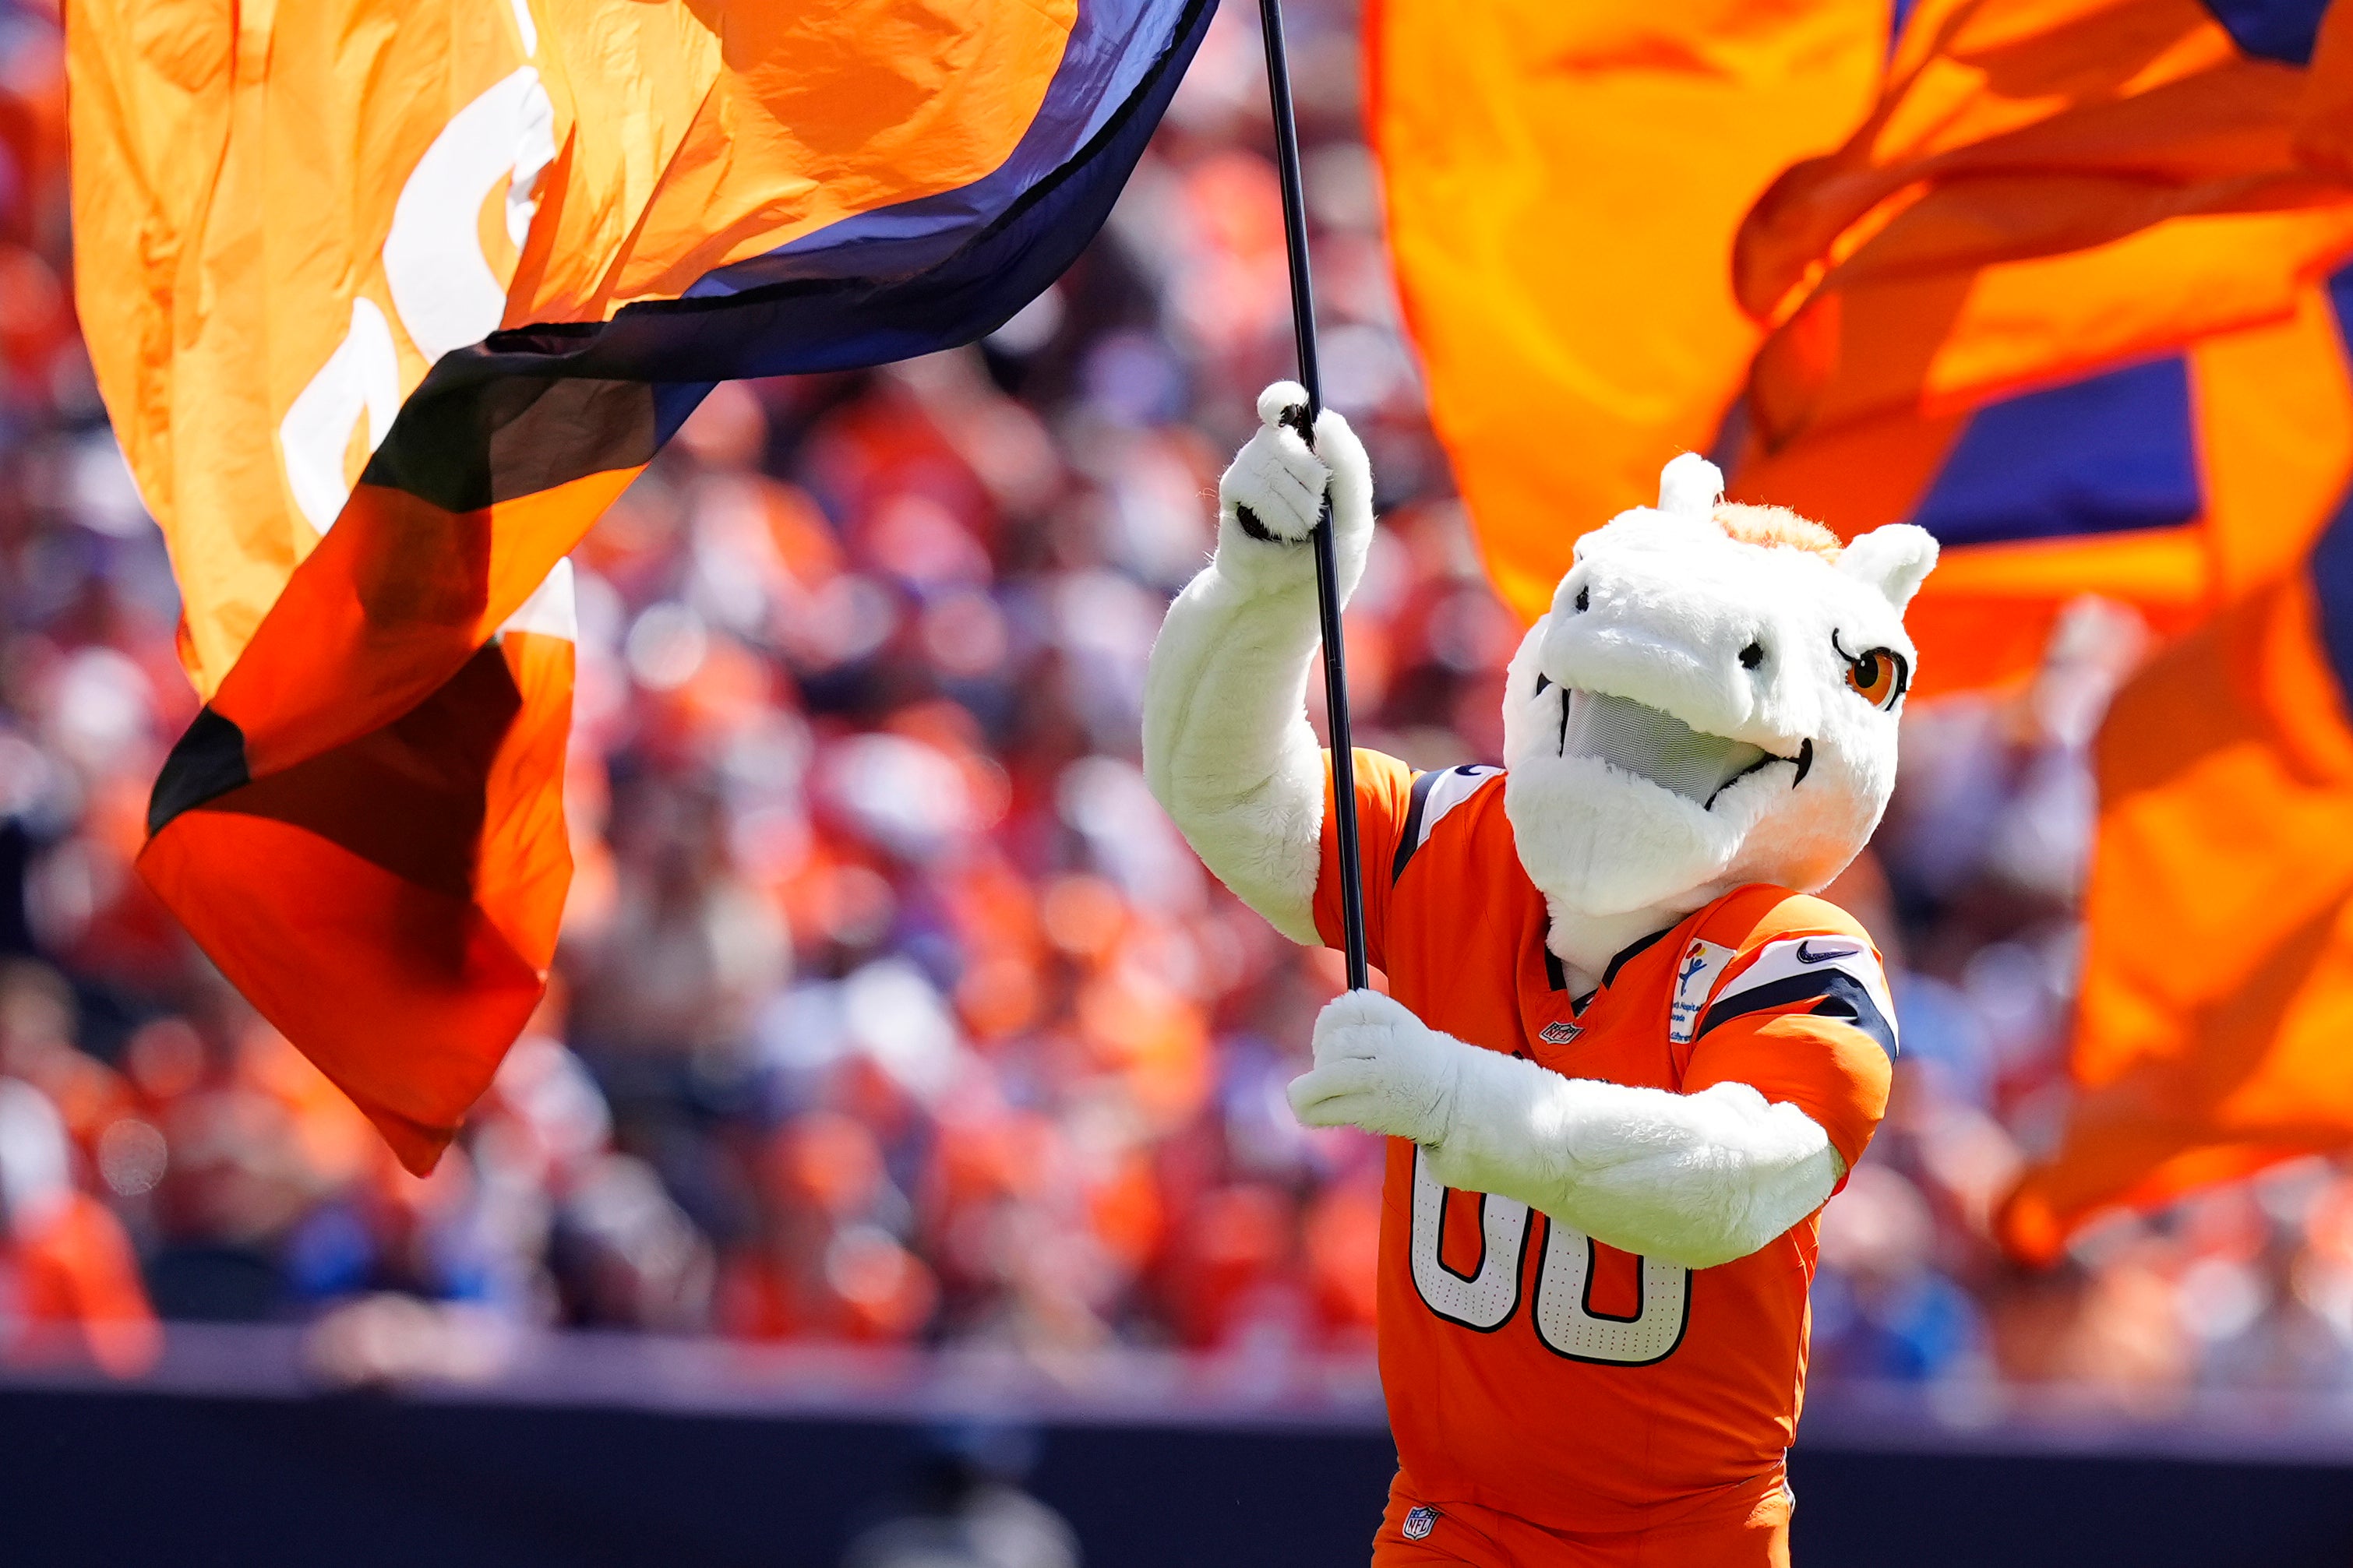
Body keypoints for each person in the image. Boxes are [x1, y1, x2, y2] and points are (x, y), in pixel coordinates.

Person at [1143, 386, 1937, 1565]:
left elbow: (1734, 1184)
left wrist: (1455, 1100)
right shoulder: (1471, 835)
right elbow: (1233, 796)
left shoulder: (1797, 948)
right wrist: (1258, 600)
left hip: (1682, 1542)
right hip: (1450, 1524)